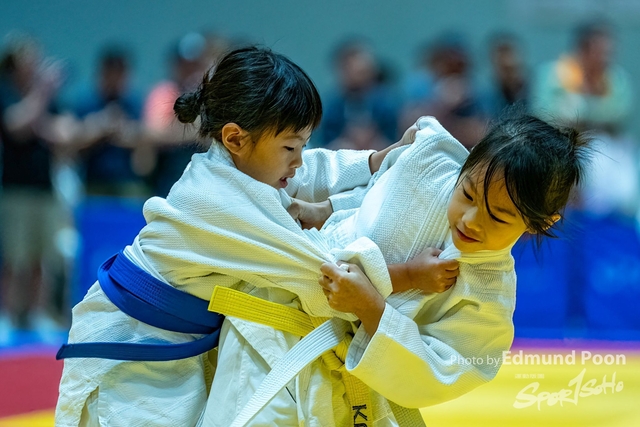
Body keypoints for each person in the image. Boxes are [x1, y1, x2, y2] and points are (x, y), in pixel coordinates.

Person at [54, 46, 446, 427]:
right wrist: (410, 275)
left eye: (303, 144)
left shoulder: (241, 168)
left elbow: (313, 170)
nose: (298, 159)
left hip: (169, 344)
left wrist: (378, 159)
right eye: (290, 146)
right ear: (236, 139)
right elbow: (323, 276)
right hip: (127, 345)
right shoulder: (216, 201)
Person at [202, 109, 592, 426]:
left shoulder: (490, 301)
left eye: (498, 216)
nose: (471, 220)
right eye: (468, 194)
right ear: (467, 163)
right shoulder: (430, 158)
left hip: (344, 388)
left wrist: (372, 309)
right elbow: (378, 187)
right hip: (269, 333)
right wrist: (327, 209)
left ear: (541, 223)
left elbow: (437, 373)